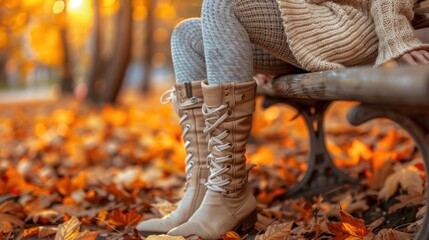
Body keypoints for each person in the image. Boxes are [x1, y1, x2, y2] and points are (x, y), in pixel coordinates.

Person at [137, 0, 429, 238]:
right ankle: (201, 193)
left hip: (354, 23)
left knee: (222, 3)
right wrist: (238, 52)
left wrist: (396, 34)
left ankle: (228, 192)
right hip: (307, 20)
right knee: (186, 36)